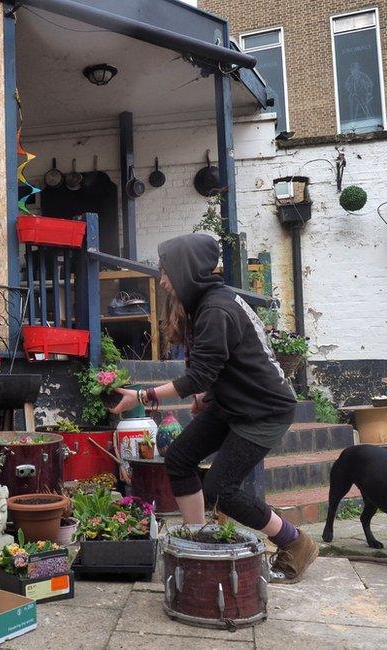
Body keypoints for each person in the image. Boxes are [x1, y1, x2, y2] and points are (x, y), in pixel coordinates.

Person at [110, 233, 317, 583]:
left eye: (165, 272)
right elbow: (225, 364)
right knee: (179, 459)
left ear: (186, 271)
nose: (161, 280)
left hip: (263, 410)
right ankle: (198, 539)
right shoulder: (207, 303)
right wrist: (208, 395)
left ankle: (295, 543)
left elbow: (201, 374)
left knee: (222, 489)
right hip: (233, 401)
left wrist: (144, 397)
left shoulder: (216, 308)